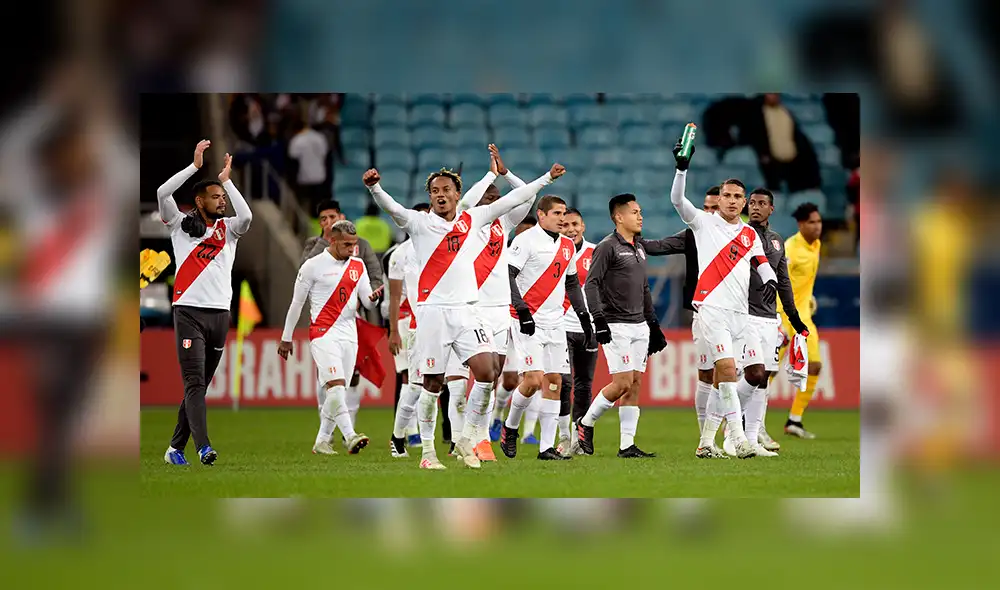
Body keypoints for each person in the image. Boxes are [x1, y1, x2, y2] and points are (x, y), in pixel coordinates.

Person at [364, 159, 564, 469]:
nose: (440, 195)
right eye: (434, 191)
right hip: (433, 314)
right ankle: (428, 454)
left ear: (458, 194)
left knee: (487, 372)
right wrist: (375, 187)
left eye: (446, 190)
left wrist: (546, 179)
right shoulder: (419, 223)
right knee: (432, 383)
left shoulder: (472, 219)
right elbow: (393, 208)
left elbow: (515, 198)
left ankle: (468, 437)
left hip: (468, 311)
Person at [668, 139, 778, 459]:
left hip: (742, 314)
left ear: (744, 202)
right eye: (726, 195)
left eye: (736, 197)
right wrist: (681, 169)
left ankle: (706, 442)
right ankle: (738, 439)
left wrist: (770, 280)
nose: (731, 201)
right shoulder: (703, 223)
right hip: (712, 309)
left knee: (755, 372)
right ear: (718, 200)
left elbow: (762, 262)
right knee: (727, 370)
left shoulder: (749, 234)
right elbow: (677, 200)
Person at [159, 141, 253, 466]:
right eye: (216, 196)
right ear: (200, 201)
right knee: (195, 383)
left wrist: (227, 181)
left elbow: (247, 215)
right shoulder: (178, 225)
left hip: (220, 315)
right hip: (188, 312)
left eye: (223, 196)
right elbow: (162, 193)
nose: (222, 200)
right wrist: (194, 167)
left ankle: (174, 448)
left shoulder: (229, 229)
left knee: (198, 388)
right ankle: (203, 448)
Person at [441, 144, 536, 462]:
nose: (495, 203)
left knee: (491, 378)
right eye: (489, 199)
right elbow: (464, 203)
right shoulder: (463, 226)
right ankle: (464, 440)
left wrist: (506, 174)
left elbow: (527, 196)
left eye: (497, 199)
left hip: (499, 312)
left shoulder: (503, 225)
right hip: (468, 309)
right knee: (463, 384)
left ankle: (476, 438)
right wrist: (488, 178)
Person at [277, 220, 381, 455]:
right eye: (347, 245)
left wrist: (374, 298)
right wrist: (286, 337)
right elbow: (296, 303)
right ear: (333, 241)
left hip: (350, 335)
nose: (352, 249)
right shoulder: (312, 266)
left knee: (338, 392)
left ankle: (322, 440)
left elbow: (366, 301)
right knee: (335, 386)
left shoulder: (358, 265)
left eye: (354, 244)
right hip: (323, 333)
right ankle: (350, 436)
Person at [575, 193, 667, 458]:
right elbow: (591, 284)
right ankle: (586, 422)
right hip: (616, 324)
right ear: (619, 217)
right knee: (622, 382)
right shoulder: (607, 247)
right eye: (634, 212)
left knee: (635, 383)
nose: (640, 217)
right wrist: (599, 319)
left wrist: (653, 324)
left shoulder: (639, 247)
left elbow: (644, 288)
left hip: (640, 325)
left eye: (640, 212)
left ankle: (627, 445)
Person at [501, 194, 591, 461]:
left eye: (564, 213)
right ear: (541, 215)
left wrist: (584, 318)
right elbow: (508, 275)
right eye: (557, 213)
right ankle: (510, 427)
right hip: (528, 320)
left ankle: (546, 448)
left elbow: (572, 283)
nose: (562, 219)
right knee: (532, 380)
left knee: (555, 382)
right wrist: (521, 309)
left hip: (555, 321)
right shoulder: (525, 240)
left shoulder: (567, 245)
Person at [722, 188, 809, 457]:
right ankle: (731, 431)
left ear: (771, 209)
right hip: (743, 315)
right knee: (751, 374)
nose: (756, 207)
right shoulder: (738, 235)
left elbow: (784, 282)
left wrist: (794, 318)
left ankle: (752, 439)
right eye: (752, 203)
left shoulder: (776, 241)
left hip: (769, 319)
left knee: (763, 380)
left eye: (762, 203)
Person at [301, 199, 383, 434]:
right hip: (325, 320)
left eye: (332, 218)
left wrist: (368, 295)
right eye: (324, 219)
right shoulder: (313, 245)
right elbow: (304, 272)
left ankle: (350, 426)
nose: (328, 222)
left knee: (353, 374)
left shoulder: (361, 245)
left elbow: (375, 276)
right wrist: (325, 240)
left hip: (354, 319)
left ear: (342, 218)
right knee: (326, 374)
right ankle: (325, 428)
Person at [385, 203, 431, 452]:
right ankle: (406, 434)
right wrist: (393, 330)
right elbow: (394, 296)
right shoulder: (399, 254)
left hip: (433, 321)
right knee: (409, 378)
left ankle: (422, 436)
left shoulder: (437, 246)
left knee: (433, 381)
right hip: (406, 320)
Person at [490, 214, 537, 441]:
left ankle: (528, 432)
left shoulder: (541, 255)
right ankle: (497, 416)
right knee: (509, 380)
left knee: (535, 376)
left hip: (532, 321)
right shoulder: (504, 254)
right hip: (506, 319)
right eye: (522, 231)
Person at [778, 202, 823, 438]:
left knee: (814, 365)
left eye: (819, 221)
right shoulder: (791, 249)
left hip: (804, 317)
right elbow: (778, 282)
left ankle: (794, 420)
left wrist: (808, 297)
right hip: (785, 317)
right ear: (801, 224)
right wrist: (777, 317)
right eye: (812, 222)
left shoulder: (815, 245)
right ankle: (739, 419)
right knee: (765, 371)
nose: (817, 226)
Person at [559, 208, 598, 455]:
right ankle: (563, 436)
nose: (571, 229)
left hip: (588, 327)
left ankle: (577, 438)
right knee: (563, 383)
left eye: (575, 224)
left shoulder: (596, 252)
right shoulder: (553, 251)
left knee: (584, 385)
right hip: (560, 325)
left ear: (583, 226)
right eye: (565, 225)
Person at [287, 116, 330, 212]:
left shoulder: (297, 140)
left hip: (304, 178)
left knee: (303, 205)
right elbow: (325, 154)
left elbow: (293, 159)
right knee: (317, 206)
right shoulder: (320, 137)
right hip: (320, 177)